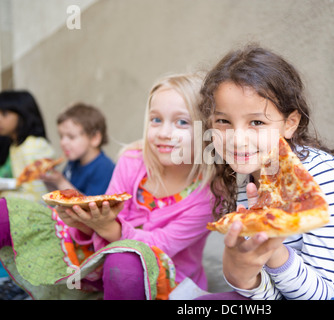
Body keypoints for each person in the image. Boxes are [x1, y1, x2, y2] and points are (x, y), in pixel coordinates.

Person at [197, 45, 334, 300]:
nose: (237, 139)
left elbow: (322, 296)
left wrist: (273, 251)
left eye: (256, 122)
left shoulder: (323, 179)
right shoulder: (245, 187)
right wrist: (244, 277)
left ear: (290, 123)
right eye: (223, 121)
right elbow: (272, 296)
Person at [0, 73, 216, 300]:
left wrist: (106, 227)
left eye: (182, 122)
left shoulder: (208, 195)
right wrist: (83, 223)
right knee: (6, 213)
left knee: (122, 261)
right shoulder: (132, 160)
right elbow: (107, 213)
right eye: (156, 119)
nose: (163, 133)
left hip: (161, 275)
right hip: (100, 253)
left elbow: (159, 247)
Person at [41, 102, 115, 196]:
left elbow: (90, 205)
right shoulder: (73, 162)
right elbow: (61, 195)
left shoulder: (104, 168)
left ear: (94, 138)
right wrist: (49, 180)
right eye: (61, 137)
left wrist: (60, 182)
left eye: (71, 137)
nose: (63, 142)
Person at [0, 90, 56, 203]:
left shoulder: (34, 145)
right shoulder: (15, 146)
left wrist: (5, 195)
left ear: (22, 115)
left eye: (4, 114)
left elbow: (41, 196)